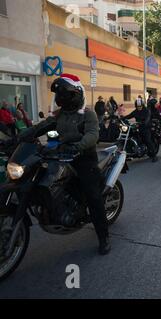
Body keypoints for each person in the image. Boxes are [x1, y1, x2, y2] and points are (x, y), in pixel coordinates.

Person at [18, 74, 111, 255]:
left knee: (93, 195)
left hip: (83, 156)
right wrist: (16, 138)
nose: (60, 98)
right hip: (61, 153)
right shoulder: (59, 115)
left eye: (64, 94)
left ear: (75, 95)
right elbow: (39, 128)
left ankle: (104, 236)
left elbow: (93, 135)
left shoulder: (88, 114)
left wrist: (78, 146)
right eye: (59, 95)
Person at [123, 96, 158, 162]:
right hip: (138, 127)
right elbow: (129, 116)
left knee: (147, 140)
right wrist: (121, 118)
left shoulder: (146, 111)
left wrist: (144, 122)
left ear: (142, 105)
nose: (139, 108)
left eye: (140, 106)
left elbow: (147, 118)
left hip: (146, 127)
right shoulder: (135, 111)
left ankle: (154, 155)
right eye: (138, 106)